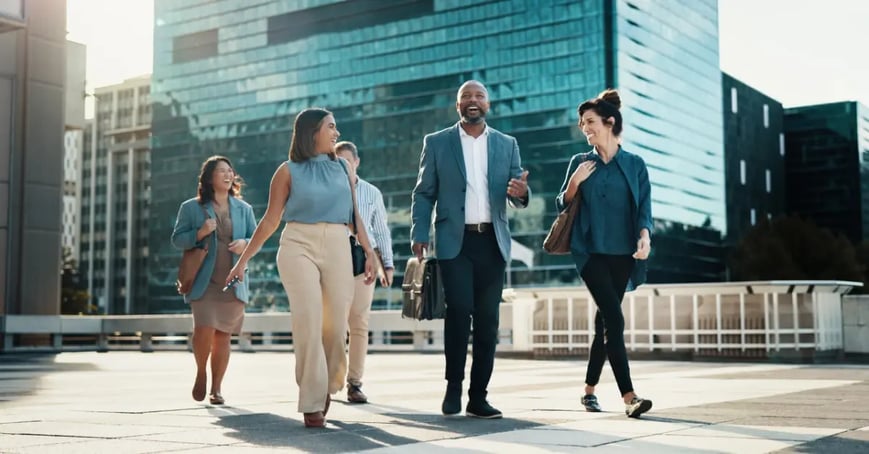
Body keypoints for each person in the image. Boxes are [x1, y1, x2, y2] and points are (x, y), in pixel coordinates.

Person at [226, 108, 375, 428]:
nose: (336, 133)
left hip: (338, 244)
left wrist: (369, 251)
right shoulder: (287, 171)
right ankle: (311, 398)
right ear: (312, 132)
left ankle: (328, 381)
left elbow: (355, 215)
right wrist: (242, 261)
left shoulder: (343, 167)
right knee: (308, 320)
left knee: (336, 325)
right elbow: (270, 221)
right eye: (331, 127)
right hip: (297, 245)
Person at [411, 80, 530, 419]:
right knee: (459, 312)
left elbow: (517, 193)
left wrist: (521, 193)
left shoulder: (507, 144)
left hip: (492, 242)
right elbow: (424, 193)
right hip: (455, 242)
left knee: (489, 321)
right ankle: (453, 387)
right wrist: (419, 231)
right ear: (458, 105)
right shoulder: (437, 142)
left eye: (479, 96)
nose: (473, 100)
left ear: (488, 105)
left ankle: (479, 397)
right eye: (466, 96)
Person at [555, 89, 653, 418]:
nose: (585, 128)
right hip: (590, 253)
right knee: (615, 319)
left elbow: (644, 210)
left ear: (610, 122)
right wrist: (574, 182)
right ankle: (630, 397)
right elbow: (562, 204)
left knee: (604, 324)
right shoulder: (581, 162)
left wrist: (644, 237)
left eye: (590, 122)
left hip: (623, 255)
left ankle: (589, 391)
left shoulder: (635, 164)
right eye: (582, 123)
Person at [171, 155, 257, 406]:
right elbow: (177, 239)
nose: (228, 175)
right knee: (203, 329)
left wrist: (245, 244)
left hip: (232, 282)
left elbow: (257, 240)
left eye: (230, 171)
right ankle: (201, 372)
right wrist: (200, 232)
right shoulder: (191, 207)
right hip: (204, 281)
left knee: (223, 336)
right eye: (222, 171)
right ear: (209, 178)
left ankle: (216, 388)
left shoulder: (244, 209)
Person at [334, 141, 394, 404]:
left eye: (347, 161)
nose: (343, 166)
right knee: (334, 325)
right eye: (337, 162)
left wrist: (387, 265)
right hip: (333, 259)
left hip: (363, 261)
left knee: (359, 323)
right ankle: (331, 377)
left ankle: (355, 383)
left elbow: (380, 230)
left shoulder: (371, 192)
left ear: (356, 162)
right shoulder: (327, 190)